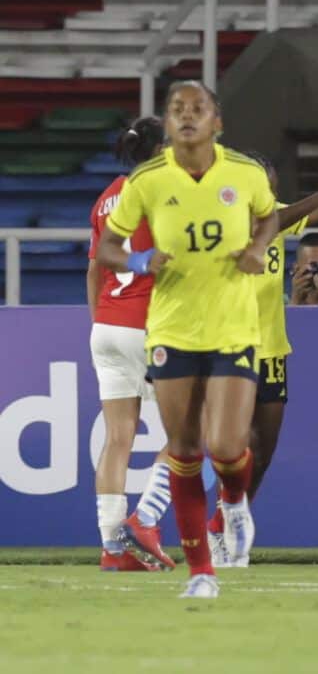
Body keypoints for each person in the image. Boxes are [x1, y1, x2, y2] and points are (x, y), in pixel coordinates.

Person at [96, 80, 279, 598]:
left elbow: (269, 216)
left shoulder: (243, 172)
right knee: (183, 447)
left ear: (216, 121)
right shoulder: (148, 180)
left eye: (198, 109)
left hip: (234, 325)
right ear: (168, 122)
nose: (187, 117)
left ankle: (236, 502)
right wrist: (136, 260)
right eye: (177, 110)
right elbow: (108, 247)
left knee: (227, 446)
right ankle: (202, 572)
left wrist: (258, 247)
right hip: (172, 327)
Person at [206, 152, 318, 567]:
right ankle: (219, 529)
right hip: (232, 348)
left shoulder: (277, 215)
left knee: (263, 452)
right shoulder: (229, 220)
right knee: (240, 446)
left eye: (269, 188)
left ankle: (231, 521)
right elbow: (307, 205)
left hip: (273, 350)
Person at [87, 116, 175, 572]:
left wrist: (99, 322)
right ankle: (146, 520)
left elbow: (95, 268)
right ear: (160, 148)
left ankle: (112, 547)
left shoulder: (107, 198)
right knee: (188, 431)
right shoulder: (162, 192)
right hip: (149, 325)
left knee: (117, 438)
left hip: (107, 325)